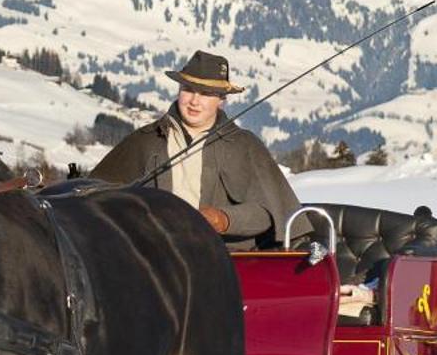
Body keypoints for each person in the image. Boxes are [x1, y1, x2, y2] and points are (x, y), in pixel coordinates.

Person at [90, 49, 300, 252]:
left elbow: (266, 214)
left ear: (221, 100)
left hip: (228, 260)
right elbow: (98, 197)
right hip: (155, 262)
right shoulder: (145, 140)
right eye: (188, 89)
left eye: (207, 93)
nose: (194, 101)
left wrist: (223, 219)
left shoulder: (244, 145)